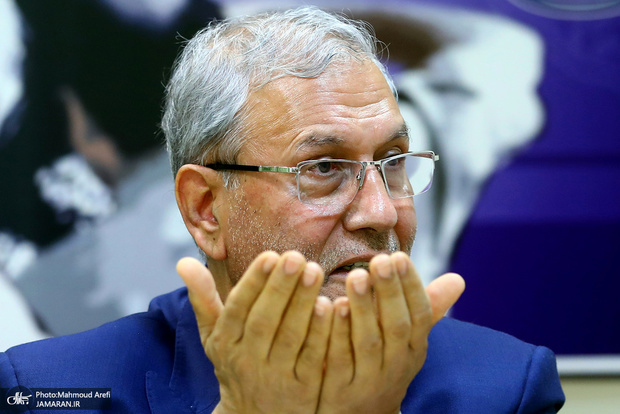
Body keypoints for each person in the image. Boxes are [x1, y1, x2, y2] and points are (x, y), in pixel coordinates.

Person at [0, 6, 565, 413]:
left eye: (393, 162)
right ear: (205, 208)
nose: (381, 212)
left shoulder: (503, 388)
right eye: (323, 168)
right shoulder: (52, 389)